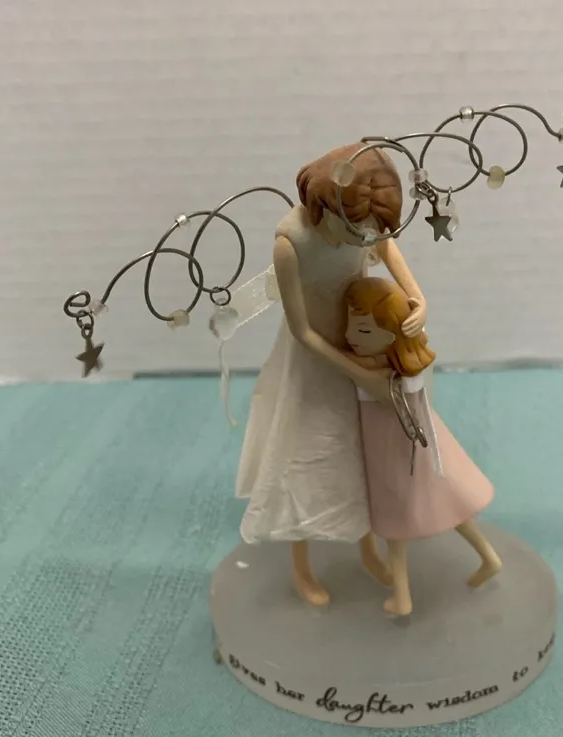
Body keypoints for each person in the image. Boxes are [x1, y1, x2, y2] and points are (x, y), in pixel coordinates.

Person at [236, 143, 427, 607]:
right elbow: (302, 331)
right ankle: (301, 564)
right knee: (306, 453)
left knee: (361, 454)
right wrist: (359, 374)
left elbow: (385, 244)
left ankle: (366, 547)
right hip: (318, 359)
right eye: (356, 230)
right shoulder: (292, 244)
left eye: (369, 232)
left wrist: (416, 295)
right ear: (328, 207)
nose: (364, 241)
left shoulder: (363, 230)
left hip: (361, 340)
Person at [344, 277, 501, 617]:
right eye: (351, 326)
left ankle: (402, 597)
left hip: (393, 456)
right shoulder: (405, 365)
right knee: (450, 507)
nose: (351, 336)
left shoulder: (378, 374)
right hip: (423, 451)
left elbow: (336, 361)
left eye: (364, 330)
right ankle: (488, 557)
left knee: (393, 525)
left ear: (393, 335)